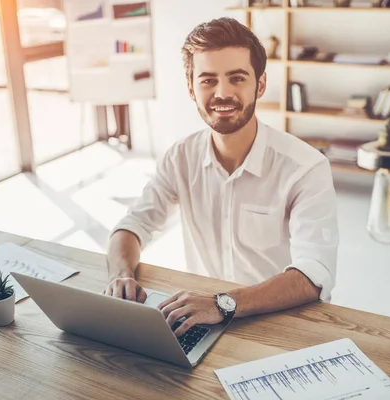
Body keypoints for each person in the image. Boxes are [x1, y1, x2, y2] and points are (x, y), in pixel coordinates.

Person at [103, 17, 339, 337]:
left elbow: (314, 274)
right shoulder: (180, 157)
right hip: (199, 318)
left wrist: (223, 304)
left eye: (237, 78)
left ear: (260, 84)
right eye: (208, 80)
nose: (222, 93)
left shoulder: (306, 168)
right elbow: (132, 227)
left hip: (274, 322)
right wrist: (120, 275)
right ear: (191, 88)